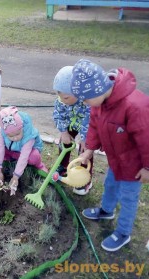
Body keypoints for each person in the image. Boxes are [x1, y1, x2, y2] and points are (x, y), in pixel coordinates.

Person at [71, 59, 149, 252]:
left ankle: (123, 232)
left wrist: (147, 167)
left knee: (128, 197)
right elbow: (95, 126)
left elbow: (146, 139)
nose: (85, 104)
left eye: (86, 100)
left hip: (134, 165)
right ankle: (106, 211)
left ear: (97, 91)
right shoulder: (99, 103)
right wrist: (89, 149)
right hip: (116, 159)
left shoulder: (134, 106)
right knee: (110, 185)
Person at [52, 66, 93, 195]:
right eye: (60, 97)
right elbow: (58, 115)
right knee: (64, 144)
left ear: (77, 92)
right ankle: (62, 168)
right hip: (70, 125)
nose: (63, 100)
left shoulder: (87, 102)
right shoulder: (62, 100)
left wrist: (84, 139)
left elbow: (90, 120)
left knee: (85, 151)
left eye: (66, 97)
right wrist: (63, 132)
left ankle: (85, 178)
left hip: (86, 128)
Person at [0, 106, 48, 195]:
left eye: (18, 134)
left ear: (21, 127)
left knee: (34, 157)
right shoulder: (3, 132)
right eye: (10, 136)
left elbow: (24, 157)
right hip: (13, 150)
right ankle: (8, 160)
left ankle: (40, 166)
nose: (15, 138)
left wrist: (15, 177)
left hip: (27, 152)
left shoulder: (29, 135)